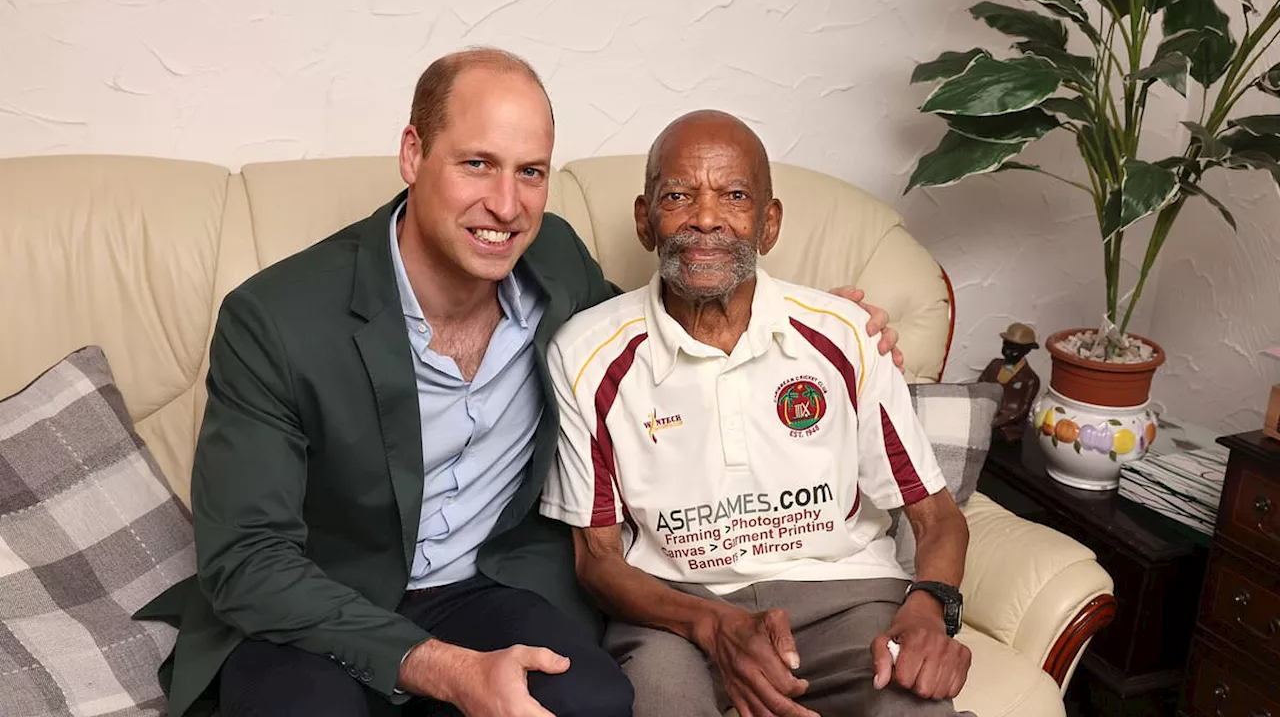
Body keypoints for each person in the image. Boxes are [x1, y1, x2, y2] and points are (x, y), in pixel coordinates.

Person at [134, 49, 904, 717]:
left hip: (482, 586)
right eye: (477, 164)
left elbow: (665, 332)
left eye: (530, 172)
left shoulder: (555, 263)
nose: (506, 205)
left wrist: (826, 325)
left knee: (597, 703)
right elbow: (248, 562)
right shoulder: (274, 319)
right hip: (319, 602)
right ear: (412, 154)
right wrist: (446, 670)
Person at [540, 110, 975, 717]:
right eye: (678, 196)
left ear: (769, 224)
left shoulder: (845, 335)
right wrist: (715, 625)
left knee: (913, 708)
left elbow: (936, 516)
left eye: (735, 196)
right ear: (645, 221)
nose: (706, 218)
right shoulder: (586, 354)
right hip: (676, 615)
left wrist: (929, 608)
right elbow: (598, 561)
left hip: (844, 603)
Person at [978, 322, 1041, 443]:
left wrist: (992, 423)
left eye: (1014, 349)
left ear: (1027, 350)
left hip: (1006, 428)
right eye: (1006, 346)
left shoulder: (1030, 379)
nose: (1008, 352)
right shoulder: (994, 365)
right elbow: (979, 387)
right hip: (984, 416)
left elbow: (1019, 411)